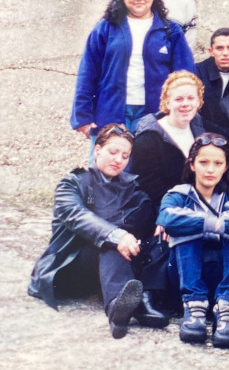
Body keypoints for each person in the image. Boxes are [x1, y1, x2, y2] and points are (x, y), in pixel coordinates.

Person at [29, 124, 169, 339]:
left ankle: (130, 304)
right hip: (70, 268)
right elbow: (77, 216)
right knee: (113, 240)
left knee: (150, 237)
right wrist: (117, 235)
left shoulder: (133, 189)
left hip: (110, 273)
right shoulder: (73, 183)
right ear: (97, 150)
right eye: (113, 152)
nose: (118, 160)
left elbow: (147, 220)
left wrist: (165, 220)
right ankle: (119, 306)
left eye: (125, 156)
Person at [157, 133, 229, 348]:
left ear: (226, 167)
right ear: (193, 164)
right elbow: (168, 219)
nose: (210, 169)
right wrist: (214, 224)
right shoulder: (178, 194)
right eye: (203, 162)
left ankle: (227, 308)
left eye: (217, 163)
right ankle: (194, 307)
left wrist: (214, 225)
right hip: (185, 274)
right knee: (186, 228)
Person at [71, 0, 195, 141]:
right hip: (110, 112)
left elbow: (186, 76)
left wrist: (185, 110)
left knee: (148, 165)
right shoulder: (106, 28)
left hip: (156, 114)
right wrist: (82, 117)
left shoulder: (170, 30)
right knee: (110, 164)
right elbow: (87, 72)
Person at [128, 70, 207, 208]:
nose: (185, 104)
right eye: (179, 99)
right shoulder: (149, 138)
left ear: (199, 101)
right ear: (167, 102)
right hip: (165, 208)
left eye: (191, 98)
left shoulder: (198, 125)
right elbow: (148, 187)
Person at [195, 28, 229, 139]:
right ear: (211, 51)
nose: (225, 53)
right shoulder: (197, 73)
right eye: (219, 48)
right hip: (202, 135)